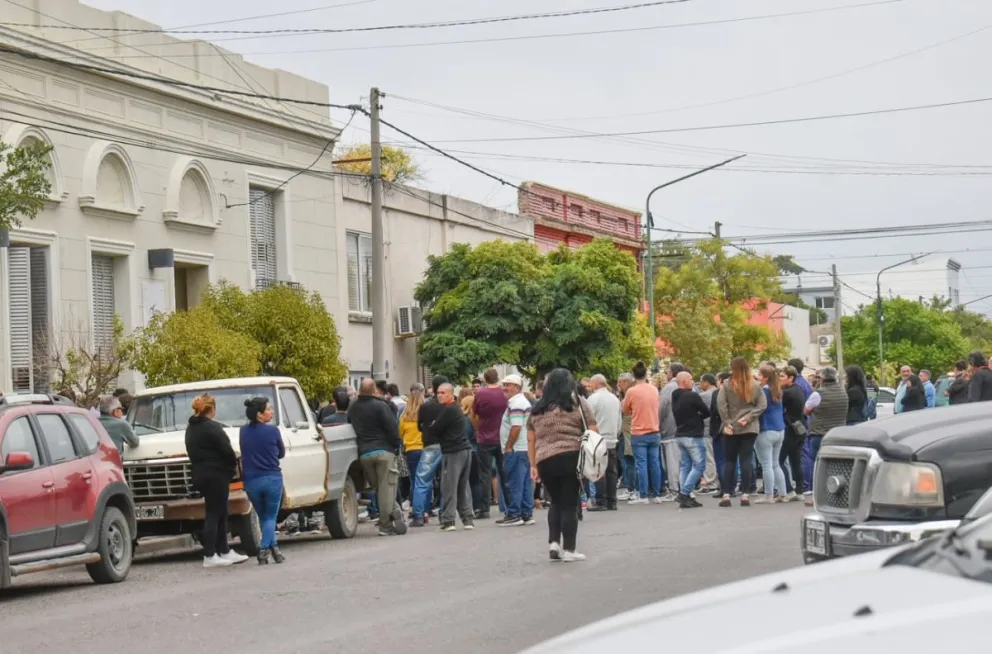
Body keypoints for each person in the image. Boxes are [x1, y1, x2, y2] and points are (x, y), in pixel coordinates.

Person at [527, 368, 597, 562]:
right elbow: (592, 427)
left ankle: (553, 543)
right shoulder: (577, 404)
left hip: (545, 460)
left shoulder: (538, 408)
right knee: (569, 504)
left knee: (555, 501)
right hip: (571, 457)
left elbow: (531, 438)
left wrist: (533, 464)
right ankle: (569, 549)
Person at [184, 393, 247, 568]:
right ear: (212, 409)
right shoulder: (212, 427)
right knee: (214, 513)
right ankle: (210, 554)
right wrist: (231, 465)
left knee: (220, 511)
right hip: (216, 474)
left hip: (200, 473)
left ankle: (224, 550)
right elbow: (226, 450)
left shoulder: (191, 428)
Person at [349, 379, 406, 537]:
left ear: (360, 390)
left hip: (364, 454)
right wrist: (396, 446)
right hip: (383, 451)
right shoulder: (380, 406)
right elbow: (392, 427)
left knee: (380, 489)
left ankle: (395, 511)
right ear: (374, 390)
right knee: (386, 489)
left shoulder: (353, 407)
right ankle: (386, 526)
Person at [240, 396, 287, 564]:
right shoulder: (273, 431)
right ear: (259, 415)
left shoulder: (243, 431)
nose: (271, 412)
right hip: (272, 477)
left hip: (251, 480)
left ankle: (276, 551)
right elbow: (281, 453)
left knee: (264, 517)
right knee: (270, 517)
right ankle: (263, 549)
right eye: (268, 409)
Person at [717, 357, 767, 508]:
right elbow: (762, 405)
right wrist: (749, 417)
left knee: (729, 460)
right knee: (746, 460)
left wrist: (727, 422)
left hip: (731, 426)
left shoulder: (727, 384)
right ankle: (745, 494)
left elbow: (721, 404)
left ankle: (726, 494)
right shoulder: (755, 385)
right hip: (749, 427)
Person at [428, 383, 475, 532]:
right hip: (465, 449)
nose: (439, 395)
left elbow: (434, 429)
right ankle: (467, 519)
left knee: (449, 486)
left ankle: (449, 520)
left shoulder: (449, 410)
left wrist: (434, 424)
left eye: (443, 393)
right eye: (438, 393)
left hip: (454, 451)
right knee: (462, 486)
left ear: (451, 394)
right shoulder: (455, 409)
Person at [803, 366, 848, 505]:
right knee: (836, 465)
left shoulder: (818, 394)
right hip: (838, 434)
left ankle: (817, 495)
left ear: (821, 379)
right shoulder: (843, 392)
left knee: (818, 465)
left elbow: (806, 410)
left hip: (820, 433)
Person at [621, 361, 663, 505]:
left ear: (633, 375)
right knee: (655, 463)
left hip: (638, 432)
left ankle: (643, 495)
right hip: (654, 430)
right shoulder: (654, 389)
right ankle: (657, 494)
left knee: (641, 465)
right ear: (646, 374)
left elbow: (625, 409)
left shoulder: (631, 391)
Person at [472, 368, 510, 520]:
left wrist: (478, 427)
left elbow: (473, 414)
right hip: (502, 437)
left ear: (485, 379)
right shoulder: (504, 393)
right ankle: (508, 506)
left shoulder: (480, 394)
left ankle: (484, 508)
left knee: (484, 474)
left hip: (485, 438)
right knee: (504, 473)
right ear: (497, 378)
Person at [498, 374, 536, 525]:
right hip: (523, 448)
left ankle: (514, 513)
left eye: (508, 385)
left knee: (515, 482)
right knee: (525, 482)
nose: (504, 388)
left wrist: (508, 446)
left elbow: (516, 426)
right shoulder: (520, 401)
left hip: (516, 449)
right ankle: (526, 513)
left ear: (517, 387)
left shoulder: (517, 403)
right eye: (504, 384)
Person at [412, 375, 448, 524]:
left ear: (432, 388)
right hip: (447, 446)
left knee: (422, 480)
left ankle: (419, 515)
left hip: (430, 446)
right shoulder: (449, 405)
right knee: (447, 480)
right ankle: (445, 514)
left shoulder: (425, 406)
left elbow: (420, 425)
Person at [671, 371, 707, 509]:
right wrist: (697, 416)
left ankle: (687, 495)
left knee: (686, 466)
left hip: (680, 434)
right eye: (691, 379)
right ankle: (684, 493)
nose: (693, 382)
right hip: (693, 435)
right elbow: (706, 411)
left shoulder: (675, 395)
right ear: (684, 381)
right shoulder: (692, 396)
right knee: (699, 466)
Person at [586, 374, 622, 512]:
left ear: (595, 383)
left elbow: (588, 419)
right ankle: (612, 501)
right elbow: (619, 420)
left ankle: (601, 501)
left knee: (599, 471)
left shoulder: (593, 399)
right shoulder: (614, 398)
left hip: (597, 438)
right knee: (612, 471)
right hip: (612, 438)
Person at [755, 364, 786, 504]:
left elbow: (758, 408)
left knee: (766, 465)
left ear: (766, 377)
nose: (758, 378)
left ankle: (768, 495)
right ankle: (782, 493)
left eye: (760, 375)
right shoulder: (777, 390)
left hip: (766, 429)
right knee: (775, 464)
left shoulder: (763, 392)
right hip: (780, 429)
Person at [779, 366, 807, 502]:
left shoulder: (787, 392)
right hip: (800, 429)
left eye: (782, 376)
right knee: (796, 461)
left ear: (791, 378)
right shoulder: (799, 389)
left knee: (778, 461)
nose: (780, 379)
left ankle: (789, 489)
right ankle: (799, 490)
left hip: (790, 429)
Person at [399, 384, 425, 519]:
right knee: (426, 480)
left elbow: (400, 432)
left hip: (411, 450)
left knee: (414, 480)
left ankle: (414, 507)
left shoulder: (405, 416)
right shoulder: (425, 414)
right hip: (425, 448)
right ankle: (426, 508)